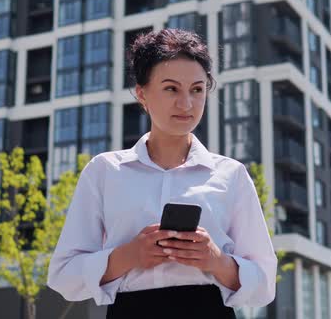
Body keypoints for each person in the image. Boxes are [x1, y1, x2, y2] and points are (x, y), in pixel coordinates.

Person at [47, 28, 277, 319]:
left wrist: (217, 261)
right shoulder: (104, 172)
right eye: (171, 89)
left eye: (197, 89)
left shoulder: (231, 175)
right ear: (142, 94)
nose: (187, 104)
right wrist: (127, 256)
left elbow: (265, 284)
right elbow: (63, 275)